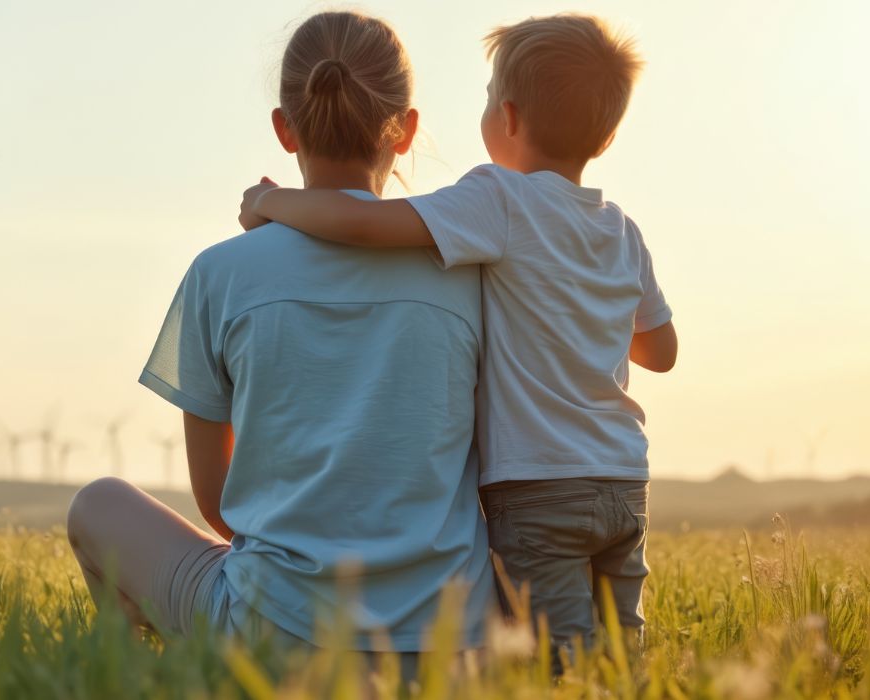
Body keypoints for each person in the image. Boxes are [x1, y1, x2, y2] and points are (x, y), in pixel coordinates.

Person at [235, 14, 677, 664]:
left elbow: (363, 224)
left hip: (538, 487)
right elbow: (661, 352)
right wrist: (589, 318)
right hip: (624, 481)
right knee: (621, 650)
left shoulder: (496, 199)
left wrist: (272, 206)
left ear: (508, 118)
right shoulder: (621, 231)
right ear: (607, 138)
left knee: (562, 661)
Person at [66, 10, 493, 665]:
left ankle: (139, 676)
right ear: (405, 131)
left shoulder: (219, 273)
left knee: (97, 506)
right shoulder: (468, 274)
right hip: (448, 650)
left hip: (276, 639)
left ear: (283, 127)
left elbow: (218, 503)